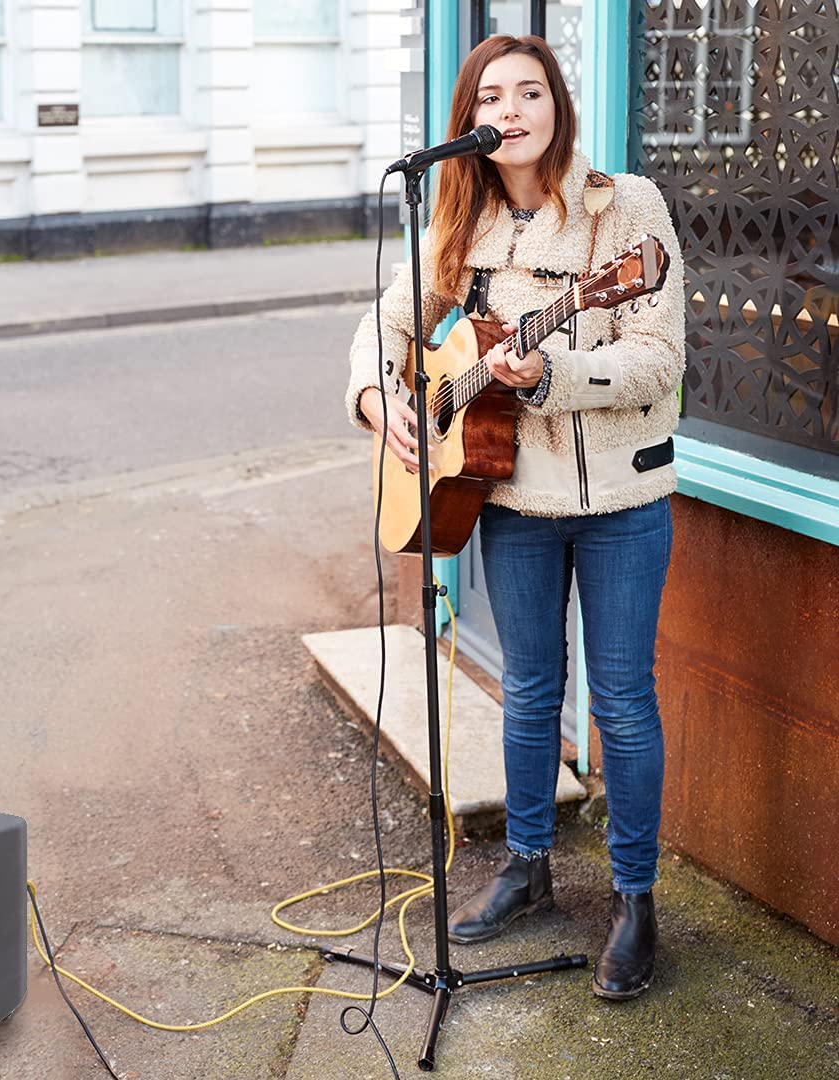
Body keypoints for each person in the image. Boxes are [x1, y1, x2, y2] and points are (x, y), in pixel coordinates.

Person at [345, 35, 686, 1001]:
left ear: (557, 105)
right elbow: (385, 325)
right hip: (513, 501)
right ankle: (527, 867)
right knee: (531, 689)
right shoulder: (463, 221)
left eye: (530, 91)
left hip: (624, 500)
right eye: (492, 95)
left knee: (620, 701)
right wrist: (382, 401)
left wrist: (555, 376)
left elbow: (663, 363)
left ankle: (635, 898)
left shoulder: (626, 211)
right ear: (469, 121)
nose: (512, 108)